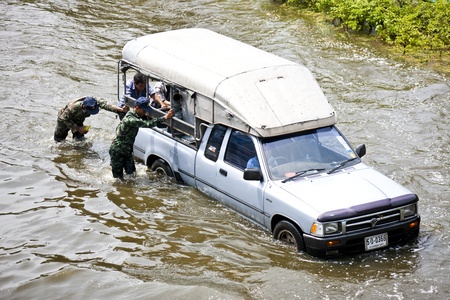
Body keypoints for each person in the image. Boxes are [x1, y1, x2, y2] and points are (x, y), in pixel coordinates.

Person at [109, 97, 175, 179]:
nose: (145, 112)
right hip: (117, 151)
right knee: (117, 179)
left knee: (132, 175)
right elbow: (148, 124)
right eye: (144, 110)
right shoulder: (131, 120)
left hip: (127, 151)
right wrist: (165, 117)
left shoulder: (132, 114)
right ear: (137, 108)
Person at [54, 96, 129, 142]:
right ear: (84, 107)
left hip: (79, 119)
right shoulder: (73, 107)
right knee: (59, 141)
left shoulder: (94, 101)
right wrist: (77, 128)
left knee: (79, 140)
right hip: (64, 120)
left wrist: (120, 110)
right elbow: (63, 118)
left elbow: (106, 105)